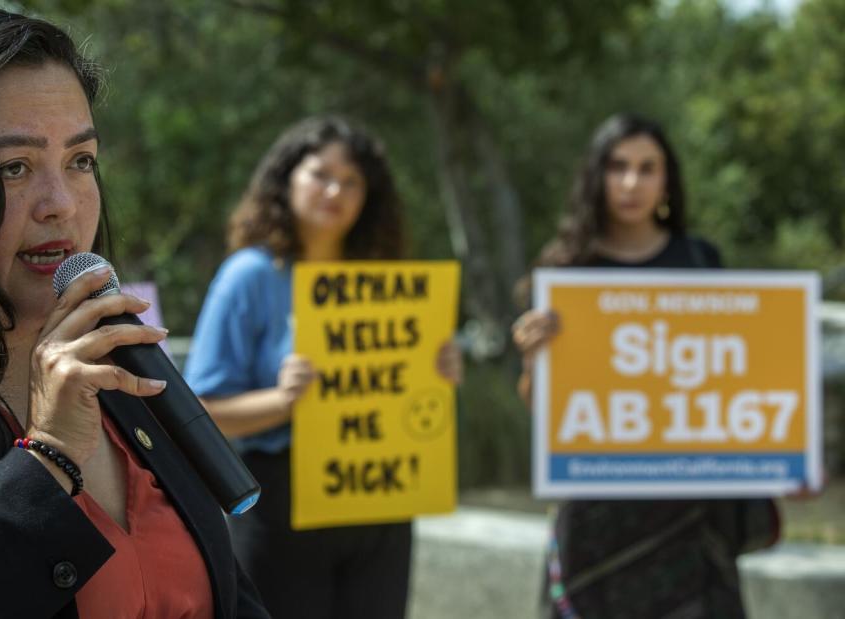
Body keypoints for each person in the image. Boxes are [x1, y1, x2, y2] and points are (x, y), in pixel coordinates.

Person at [0, 8, 268, 618]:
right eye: (14, 167)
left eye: (80, 160)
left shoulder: (125, 371)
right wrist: (49, 454)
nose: (60, 205)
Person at [183, 116, 463, 619]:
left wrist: (436, 370)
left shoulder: (386, 283)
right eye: (320, 174)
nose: (336, 190)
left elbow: (409, 399)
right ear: (286, 179)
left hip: (380, 499)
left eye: (352, 181)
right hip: (281, 507)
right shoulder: (249, 275)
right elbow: (203, 411)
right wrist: (284, 401)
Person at [511, 113, 779, 619]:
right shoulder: (565, 271)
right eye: (617, 167)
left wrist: (788, 450)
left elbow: (735, 380)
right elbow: (541, 411)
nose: (631, 183)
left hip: (690, 517)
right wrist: (534, 360)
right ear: (597, 177)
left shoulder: (701, 261)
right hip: (595, 516)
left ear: (667, 180)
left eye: (646, 168)